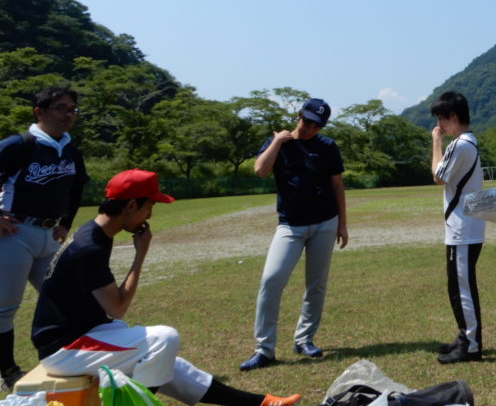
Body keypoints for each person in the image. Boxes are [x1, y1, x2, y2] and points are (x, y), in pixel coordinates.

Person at [31, 168, 300, 406]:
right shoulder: (89, 247)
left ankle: (260, 403)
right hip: (65, 349)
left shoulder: (95, 232)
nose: (150, 215)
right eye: (149, 206)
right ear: (131, 205)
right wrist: (140, 254)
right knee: (164, 339)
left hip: (83, 334)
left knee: (168, 361)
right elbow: (118, 307)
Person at [239, 98, 347, 372]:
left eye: (316, 125)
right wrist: (278, 140)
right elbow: (260, 170)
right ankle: (264, 349)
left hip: (325, 222)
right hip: (290, 226)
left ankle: (304, 339)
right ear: (299, 115)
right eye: (307, 121)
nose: (310, 128)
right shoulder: (279, 143)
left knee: (316, 284)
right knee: (271, 280)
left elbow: (337, 186)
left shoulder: (327, 147)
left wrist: (343, 224)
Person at [0, 85, 88, 390]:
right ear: (39, 111)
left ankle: (71, 359)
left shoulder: (71, 149)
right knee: (4, 308)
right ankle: (8, 371)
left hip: (50, 235)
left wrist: (66, 222)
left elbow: (76, 188)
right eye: (61, 108)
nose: (68, 114)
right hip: (15, 233)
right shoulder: (19, 144)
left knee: (66, 299)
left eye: (72, 109)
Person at [429, 91, 484, 364]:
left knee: (462, 289)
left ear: (453, 116)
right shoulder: (469, 143)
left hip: (463, 229)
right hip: (465, 228)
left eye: (441, 119)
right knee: (458, 286)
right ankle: (465, 337)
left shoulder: (460, 145)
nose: (439, 125)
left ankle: (470, 345)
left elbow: (438, 176)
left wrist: (436, 142)